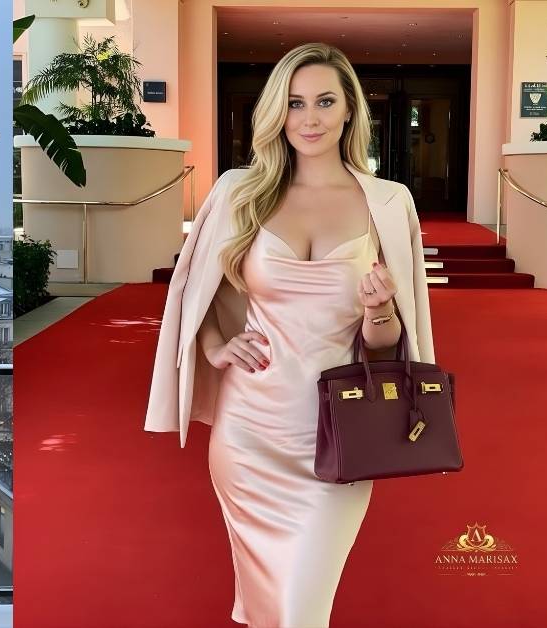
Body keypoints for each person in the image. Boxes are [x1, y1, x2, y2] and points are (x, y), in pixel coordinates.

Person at [144, 43, 436, 627]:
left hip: (339, 437)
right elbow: (196, 295)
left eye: (325, 101)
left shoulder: (388, 202)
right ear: (277, 112)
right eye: (295, 103)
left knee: (301, 607)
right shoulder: (238, 192)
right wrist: (214, 347)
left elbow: (392, 345)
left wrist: (379, 311)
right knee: (270, 606)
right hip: (250, 433)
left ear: (351, 109)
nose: (309, 118)